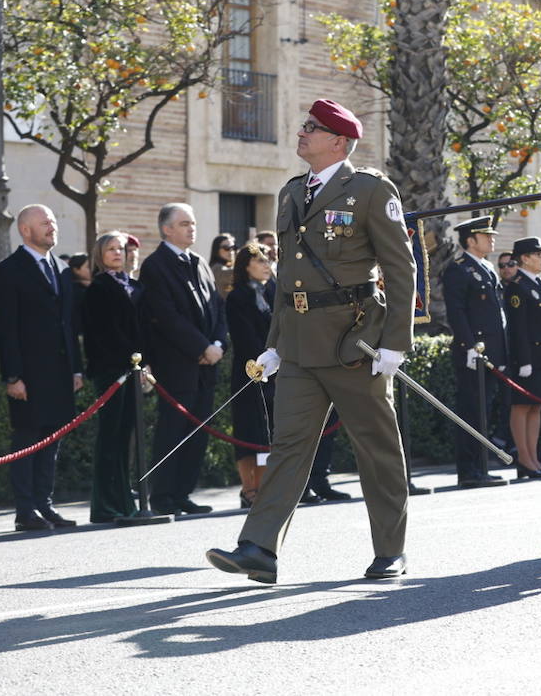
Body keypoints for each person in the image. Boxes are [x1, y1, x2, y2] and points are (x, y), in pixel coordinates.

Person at [206, 98, 416, 583]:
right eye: (304, 126)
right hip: (300, 342)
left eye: (312, 128)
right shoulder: (291, 192)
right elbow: (289, 279)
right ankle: (259, 547)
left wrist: (395, 342)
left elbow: (400, 268)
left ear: (338, 141)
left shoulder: (368, 190)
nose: (301, 133)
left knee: (376, 448)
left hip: (353, 341)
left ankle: (391, 549)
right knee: (288, 446)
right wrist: (275, 343)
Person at [0, 204, 83, 530]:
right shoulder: (8, 269)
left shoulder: (61, 268)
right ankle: (25, 510)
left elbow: (68, 324)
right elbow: (6, 328)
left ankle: (45, 504)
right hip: (28, 375)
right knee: (28, 440)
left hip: (60, 374)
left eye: (54, 220)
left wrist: (76, 369)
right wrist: (12, 376)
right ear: (25, 230)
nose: (52, 226)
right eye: (45, 222)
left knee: (52, 442)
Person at [139, 202, 227, 516]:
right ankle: (162, 496)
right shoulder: (155, 265)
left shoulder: (201, 262)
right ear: (166, 229)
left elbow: (217, 308)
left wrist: (217, 343)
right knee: (172, 431)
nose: (192, 228)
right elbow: (166, 317)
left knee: (198, 432)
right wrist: (201, 347)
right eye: (185, 223)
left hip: (206, 364)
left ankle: (182, 493)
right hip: (177, 365)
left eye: (193, 223)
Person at [441, 216, 510, 488]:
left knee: (485, 409)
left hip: (491, 353)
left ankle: (481, 466)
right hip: (473, 352)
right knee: (471, 411)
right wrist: (469, 345)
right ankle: (469, 470)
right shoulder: (458, 269)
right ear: (471, 240)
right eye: (486, 235)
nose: (492, 239)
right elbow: (456, 313)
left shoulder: (486, 268)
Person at [82, 231, 144, 523]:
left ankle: (123, 496)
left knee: (127, 438)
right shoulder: (97, 288)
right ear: (100, 255)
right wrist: (128, 357)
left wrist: (143, 363)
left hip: (133, 370)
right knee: (110, 437)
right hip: (111, 371)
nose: (117, 253)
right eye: (111, 249)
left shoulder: (134, 285)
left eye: (121, 248)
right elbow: (102, 334)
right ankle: (105, 504)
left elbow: (143, 330)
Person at [503, 236, 541, 479]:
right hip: (526, 360)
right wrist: (524, 360)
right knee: (521, 406)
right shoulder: (517, 286)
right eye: (537, 255)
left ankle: (534, 458)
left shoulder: (538, 285)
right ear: (524, 258)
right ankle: (524, 460)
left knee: (536, 407)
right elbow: (519, 328)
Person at [226, 241, 278, 507]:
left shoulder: (274, 291)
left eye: (268, 260)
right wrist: (265, 355)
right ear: (246, 266)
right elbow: (244, 338)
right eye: (260, 261)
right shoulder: (237, 297)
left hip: (276, 370)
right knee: (249, 432)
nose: (266, 265)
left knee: (271, 431)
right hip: (249, 372)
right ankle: (249, 489)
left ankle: (268, 486)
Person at [209, 233, 237, 297]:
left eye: (233, 247)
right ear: (217, 249)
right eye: (226, 248)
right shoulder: (217, 268)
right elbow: (237, 272)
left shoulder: (229, 265)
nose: (231, 251)